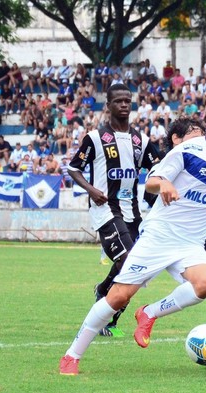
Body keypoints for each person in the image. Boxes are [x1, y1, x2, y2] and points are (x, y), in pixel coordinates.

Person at [59, 99, 206, 376]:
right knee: (118, 297)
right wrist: (164, 182)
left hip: (190, 244)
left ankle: (149, 313)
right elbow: (152, 179)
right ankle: (72, 355)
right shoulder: (187, 150)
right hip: (159, 236)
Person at [67, 84, 159, 337]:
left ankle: (106, 302)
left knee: (134, 266)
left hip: (133, 212)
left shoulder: (141, 140)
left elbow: (160, 167)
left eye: (128, 101)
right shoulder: (95, 138)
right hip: (106, 210)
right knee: (129, 261)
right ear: (108, 106)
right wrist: (91, 190)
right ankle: (103, 312)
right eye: (118, 101)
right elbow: (73, 168)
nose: (124, 105)